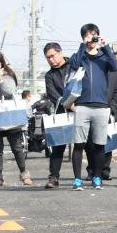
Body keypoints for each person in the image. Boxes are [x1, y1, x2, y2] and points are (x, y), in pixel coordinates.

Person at [67, 23, 117, 190]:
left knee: (99, 144)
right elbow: (73, 65)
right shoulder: (79, 56)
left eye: (94, 35)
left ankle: (97, 177)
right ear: (83, 37)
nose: (91, 39)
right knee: (79, 144)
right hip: (82, 105)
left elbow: (115, 66)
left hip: (101, 106)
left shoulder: (103, 57)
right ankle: (77, 179)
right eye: (88, 35)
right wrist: (83, 45)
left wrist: (106, 47)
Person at [0, 50, 31, 187]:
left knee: (16, 146)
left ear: (2, 62)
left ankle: (24, 173)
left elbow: (9, 91)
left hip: (9, 113)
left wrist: (1, 78)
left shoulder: (9, 74)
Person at [42, 42, 69, 188]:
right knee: (58, 145)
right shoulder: (49, 75)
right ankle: (53, 177)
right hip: (61, 110)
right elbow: (53, 94)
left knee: (86, 144)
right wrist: (67, 103)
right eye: (48, 58)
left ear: (60, 52)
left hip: (80, 108)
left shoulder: (74, 65)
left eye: (52, 55)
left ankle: (93, 173)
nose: (51, 59)